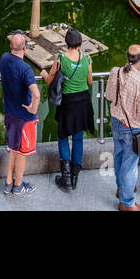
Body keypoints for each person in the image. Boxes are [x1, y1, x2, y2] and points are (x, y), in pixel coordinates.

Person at [104, 44, 140, 211]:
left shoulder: (115, 72)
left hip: (116, 122)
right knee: (130, 166)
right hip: (133, 128)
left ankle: (122, 187)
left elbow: (108, 96)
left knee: (119, 157)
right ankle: (127, 202)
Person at [43, 27, 92, 192]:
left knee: (63, 136)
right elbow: (90, 81)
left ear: (66, 42)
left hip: (68, 103)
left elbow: (50, 80)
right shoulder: (87, 59)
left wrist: (43, 73)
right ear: (79, 41)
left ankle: (66, 177)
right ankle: (75, 177)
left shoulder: (60, 58)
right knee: (78, 138)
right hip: (83, 101)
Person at [0, 32, 40, 197]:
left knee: (13, 149)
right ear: (25, 48)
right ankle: (18, 185)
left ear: (10, 46)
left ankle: (8, 182)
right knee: (23, 153)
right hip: (23, 118)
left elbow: (2, 76)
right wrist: (33, 109)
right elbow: (36, 94)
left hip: (10, 114)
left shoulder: (4, 59)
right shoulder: (26, 69)